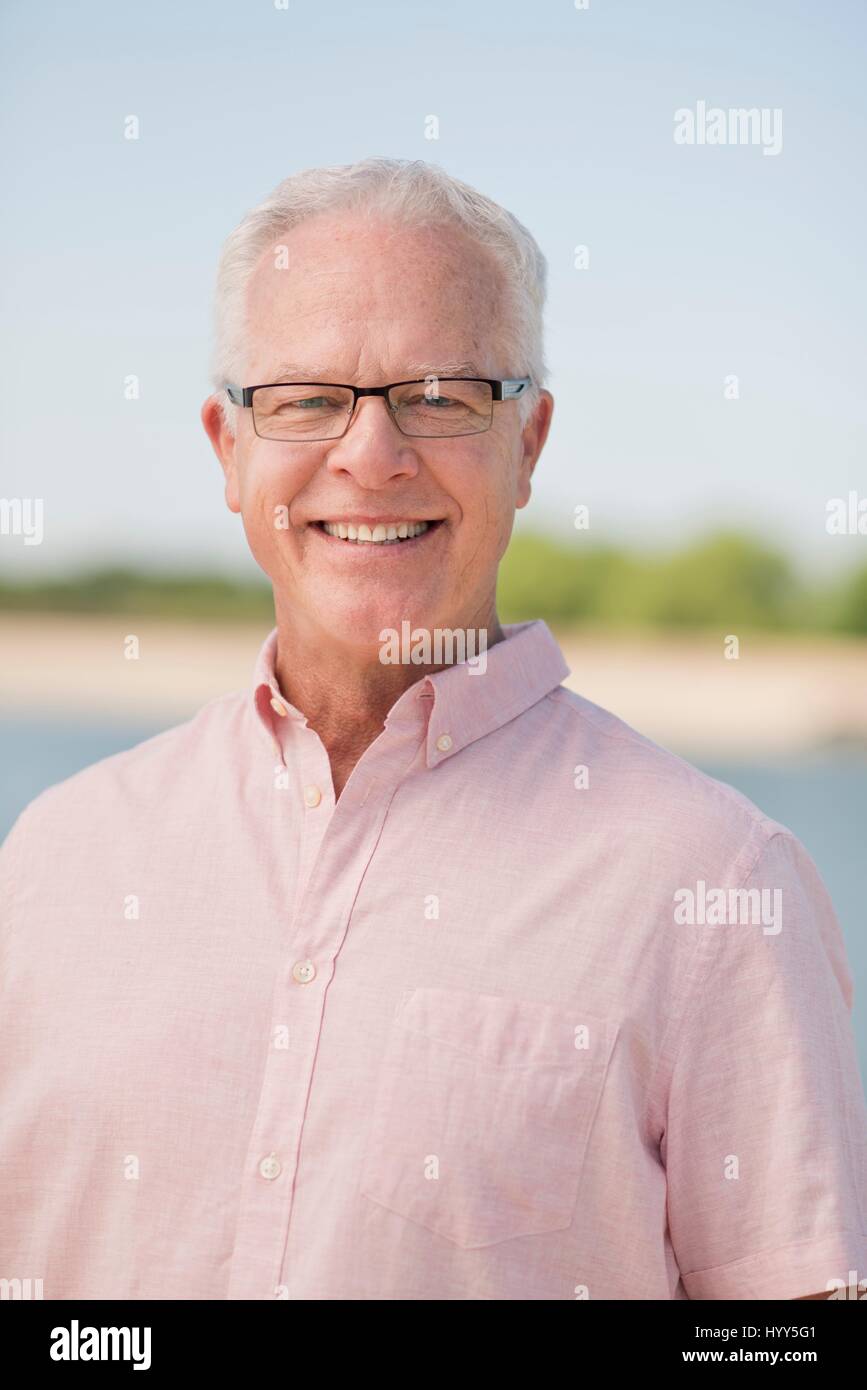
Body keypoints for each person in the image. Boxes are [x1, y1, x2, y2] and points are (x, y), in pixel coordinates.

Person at [1, 158, 864, 1301]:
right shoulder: (53, 861)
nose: (371, 454)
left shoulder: (715, 882)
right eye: (306, 397)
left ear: (530, 445)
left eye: (441, 393)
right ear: (228, 449)